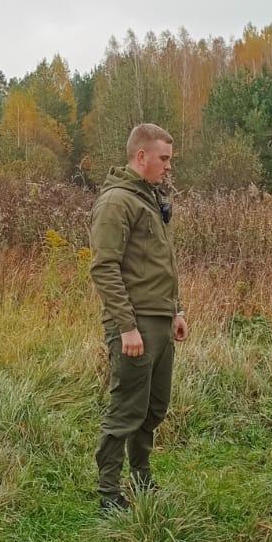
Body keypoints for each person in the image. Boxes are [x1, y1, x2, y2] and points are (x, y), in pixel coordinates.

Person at [88, 123, 188, 512]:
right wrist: (127, 327)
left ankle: (141, 477)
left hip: (160, 320)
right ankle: (109, 493)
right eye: (164, 158)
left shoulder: (150, 199)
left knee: (154, 407)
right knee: (127, 408)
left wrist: (176, 310)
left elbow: (160, 263)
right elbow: (104, 268)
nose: (169, 166)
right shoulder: (116, 202)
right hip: (135, 324)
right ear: (141, 156)